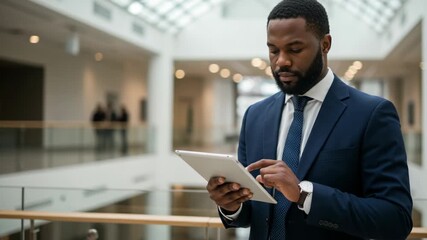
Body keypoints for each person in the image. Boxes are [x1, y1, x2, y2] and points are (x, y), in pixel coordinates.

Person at [206, 0, 413, 239]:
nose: (281, 60)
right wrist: (231, 204)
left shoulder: (372, 114)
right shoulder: (255, 115)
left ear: (325, 44)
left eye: (294, 49)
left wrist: (304, 195)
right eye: (273, 50)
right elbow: (253, 213)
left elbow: (395, 218)